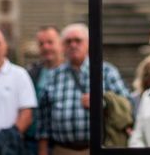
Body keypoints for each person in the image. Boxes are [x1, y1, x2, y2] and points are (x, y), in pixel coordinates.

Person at [37, 23, 130, 155]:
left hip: (98, 149)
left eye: (78, 41)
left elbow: (127, 103)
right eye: (68, 42)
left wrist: (102, 101)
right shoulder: (54, 76)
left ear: (88, 44)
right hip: (62, 150)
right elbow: (43, 121)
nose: (73, 45)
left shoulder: (106, 71)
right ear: (62, 46)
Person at [25, 26, 64, 154]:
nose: (46, 47)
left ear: (60, 44)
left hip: (61, 143)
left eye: (50, 42)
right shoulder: (31, 73)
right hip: (32, 141)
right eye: (41, 44)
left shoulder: (71, 72)